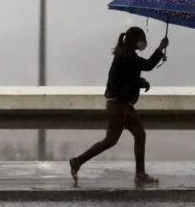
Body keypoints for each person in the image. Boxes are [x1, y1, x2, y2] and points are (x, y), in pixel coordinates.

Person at [69, 26, 169, 185]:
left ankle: (140, 173)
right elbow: (146, 66)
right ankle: (78, 161)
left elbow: (129, 77)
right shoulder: (127, 57)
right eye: (142, 39)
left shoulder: (125, 55)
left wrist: (140, 81)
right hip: (119, 106)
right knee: (111, 140)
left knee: (138, 135)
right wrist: (160, 49)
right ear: (135, 41)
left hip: (123, 105)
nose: (144, 42)